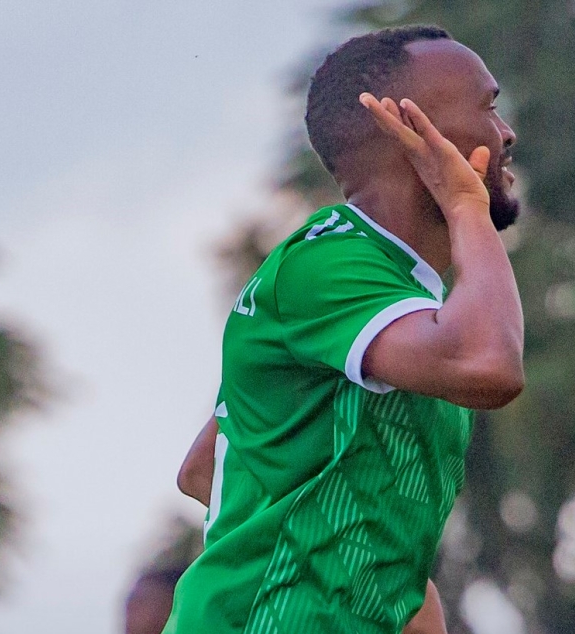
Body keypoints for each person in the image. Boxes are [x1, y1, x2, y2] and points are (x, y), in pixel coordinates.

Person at [162, 25, 524, 634]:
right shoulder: (326, 266)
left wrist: (376, 580)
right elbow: (490, 364)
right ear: (409, 132)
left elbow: (208, 466)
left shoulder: (401, 294)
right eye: (488, 106)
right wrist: (466, 207)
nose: (506, 132)